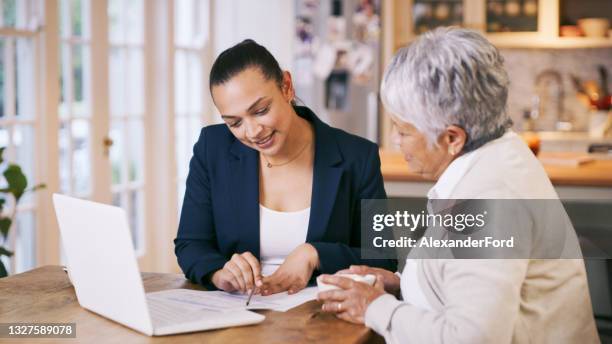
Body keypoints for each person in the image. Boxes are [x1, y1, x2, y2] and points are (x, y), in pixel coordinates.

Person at [317, 27, 599, 343]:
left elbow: (473, 338)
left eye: (403, 131)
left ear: (452, 138)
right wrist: (402, 283)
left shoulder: (489, 201)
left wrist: (375, 308)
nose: (396, 142)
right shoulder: (500, 151)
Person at [175, 39, 396, 296]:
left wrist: (315, 253)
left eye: (260, 110)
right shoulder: (211, 149)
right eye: (234, 123)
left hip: (323, 316)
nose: (253, 132)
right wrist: (219, 272)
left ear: (287, 87)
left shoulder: (357, 156)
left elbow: (384, 258)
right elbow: (191, 244)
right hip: (239, 315)